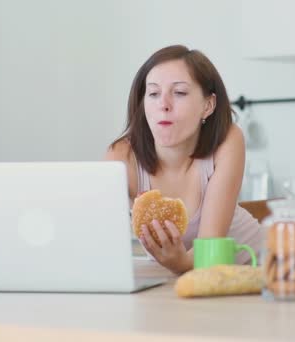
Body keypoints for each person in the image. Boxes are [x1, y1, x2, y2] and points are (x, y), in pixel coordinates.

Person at [105, 45, 263, 274]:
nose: (164, 104)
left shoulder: (228, 140)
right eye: (153, 93)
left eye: (179, 93)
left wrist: (178, 263)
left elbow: (210, 251)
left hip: (255, 270)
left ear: (207, 106)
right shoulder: (121, 158)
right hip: (178, 287)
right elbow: (96, 240)